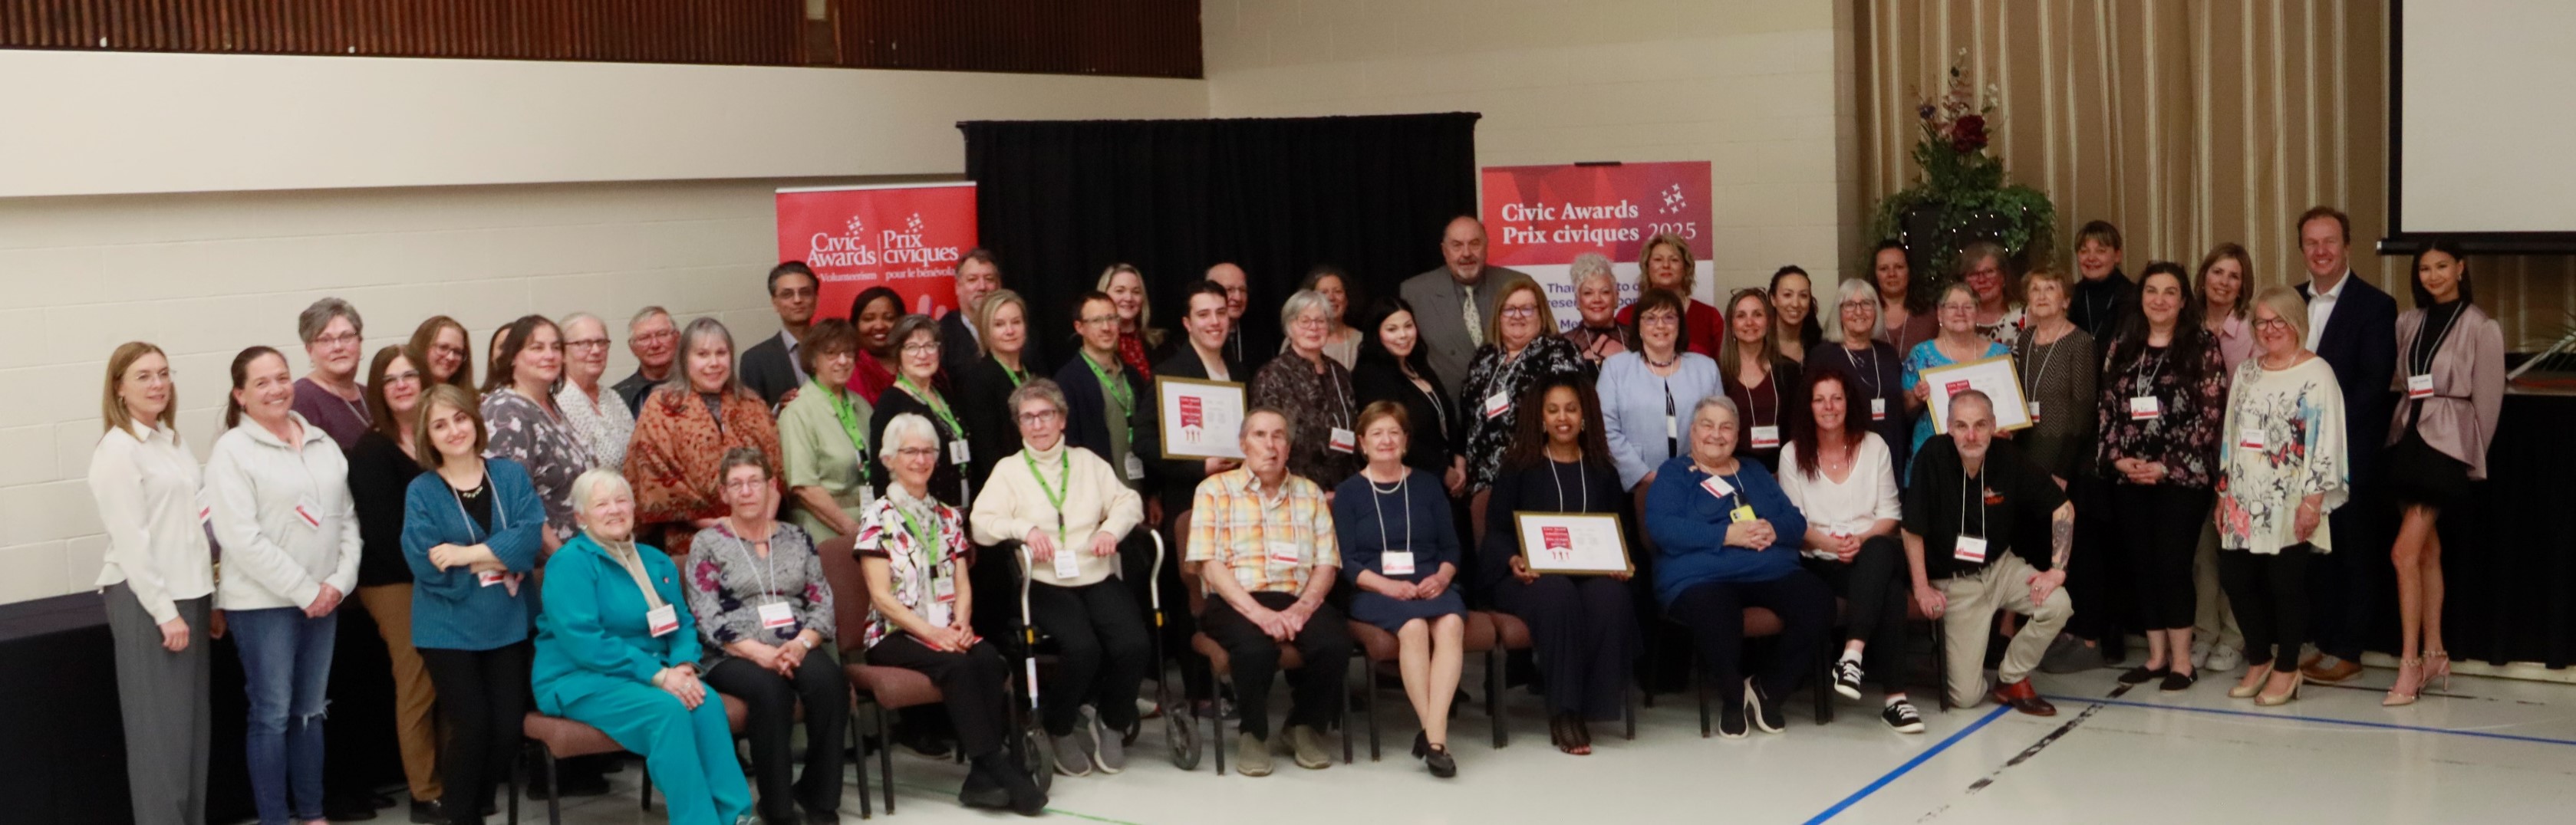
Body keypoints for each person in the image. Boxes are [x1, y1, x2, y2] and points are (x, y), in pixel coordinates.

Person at [533, 469, 754, 825]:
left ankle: (737, 816)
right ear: (580, 518)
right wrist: (658, 675)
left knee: (705, 703)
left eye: (622, 500)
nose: (615, 510)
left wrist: (682, 666)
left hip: (651, 672)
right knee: (666, 712)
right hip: (578, 677)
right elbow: (584, 642)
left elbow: (681, 623)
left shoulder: (655, 561)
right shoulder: (569, 564)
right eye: (601, 504)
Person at [855, 414, 1047, 814]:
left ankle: (980, 778)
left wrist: (960, 624)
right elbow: (881, 596)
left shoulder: (947, 516)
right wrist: (933, 634)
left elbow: (962, 583)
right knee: (956, 667)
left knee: (989, 661)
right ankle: (997, 765)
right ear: (889, 458)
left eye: (928, 451)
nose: (921, 459)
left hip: (946, 628)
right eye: (910, 451)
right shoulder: (878, 516)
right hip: (894, 633)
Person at [206, 345, 362, 825]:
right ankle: (275, 818)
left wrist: (338, 582)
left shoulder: (320, 442)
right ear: (240, 395)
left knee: (311, 710)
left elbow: (348, 520)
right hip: (262, 605)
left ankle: (312, 813)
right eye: (261, 382)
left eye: (282, 377)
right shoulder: (232, 451)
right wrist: (306, 590)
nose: (276, 389)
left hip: (325, 599)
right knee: (272, 714)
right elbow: (240, 538)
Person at [970, 381, 1151, 777]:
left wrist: (1112, 531)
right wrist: (1024, 529)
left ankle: (1112, 721)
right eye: (1028, 417)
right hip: (1045, 580)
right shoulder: (1009, 471)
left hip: (1095, 571)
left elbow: (1129, 501)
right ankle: (1059, 725)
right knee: (1082, 648)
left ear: (1062, 419)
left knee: (1134, 642)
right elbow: (981, 525)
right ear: (1019, 425)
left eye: (1046, 415)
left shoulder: (1087, 462)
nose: (1038, 425)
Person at [1644, 396, 1835, 738]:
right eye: (1708, 425)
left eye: (1726, 427)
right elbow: (1663, 528)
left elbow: (1794, 521)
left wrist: (1774, 529)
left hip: (1769, 570)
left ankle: (1768, 690)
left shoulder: (1754, 472)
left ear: (1737, 435)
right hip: (1700, 577)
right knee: (1716, 613)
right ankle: (1733, 699)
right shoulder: (1674, 474)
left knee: (1818, 602)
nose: (1716, 434)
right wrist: (1727, 534)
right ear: (1693, 431)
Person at [400, 384, 543, 825]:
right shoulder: (422, 490)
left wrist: (464, 554)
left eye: (460, 419)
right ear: (429, 436)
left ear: (475, 422)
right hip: (447, 626)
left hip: (506, 620)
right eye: (440, 425)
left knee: (505, 728)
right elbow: (425, 559)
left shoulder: (510, 476)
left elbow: (529, 537)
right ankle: (462, 816)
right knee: (473, 725)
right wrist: (498, 556)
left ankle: (477, 801)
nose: (454, 430)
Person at [89, 341, 217, 825]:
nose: (158, 383)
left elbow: (196, 526)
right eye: (143, 376)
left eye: (164, 373)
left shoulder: (171, 441)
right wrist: (165, 612)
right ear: (119, 388)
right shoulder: (118, 451)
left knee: (191, 736)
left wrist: (212, 598)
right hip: (150, 603)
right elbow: (133, 543)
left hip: (192, 594)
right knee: (159, 741)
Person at [1187, 406, 1352, 776]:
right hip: (1233, 599)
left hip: (1295, 596)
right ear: (1243, 444)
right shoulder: (1214, 490)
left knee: (1335, 644)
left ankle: (1302, 726)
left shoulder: (1309, 494)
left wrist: (1303, 609)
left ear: (1289, 448)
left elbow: (1326, 564)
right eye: (1259, 436)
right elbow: (1209, 564)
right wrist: (1259, 614)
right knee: (1254, 648)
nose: (1270, 445)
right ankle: (1253, 734)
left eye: (1279, 436)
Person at [1474, 376, 1637, 754]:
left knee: (1612, 597)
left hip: (1591, 573)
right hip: (1529, 576)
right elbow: (1496, 531)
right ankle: (1564, 711)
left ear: (1584, 416)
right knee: (1557, 593)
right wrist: (1513, 559)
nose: (1562, 418)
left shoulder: (1602, 469)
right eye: (1553, 410)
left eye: (1571, 409)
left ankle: (1593, 704)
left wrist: (1622, 560)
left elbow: (1621, 529)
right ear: (1540, 418)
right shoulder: (1519, 466)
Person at [685, 449, 846, 824]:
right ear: (724, 493)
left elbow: (821, 599)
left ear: (770, 487)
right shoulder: (708, 543)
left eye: (754, 482)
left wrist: (802, 643)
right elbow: (705, 614)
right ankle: (777, 806)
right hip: (731, 654)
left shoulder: (796, 537)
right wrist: (757, 652)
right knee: (771, 692)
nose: (746, 492)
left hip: (794, 642)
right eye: (736, 484)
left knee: (829, 683)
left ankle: (819, 796)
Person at [2381, 240, 2505, 705]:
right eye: (2424, 269)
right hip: (2405, 438)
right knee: (2426, 554)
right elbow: (2400, 381)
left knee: (2402, 554)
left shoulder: (2481, 327)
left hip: (2447, 445)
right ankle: (2435, 652)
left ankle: (2409, 663)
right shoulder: (2408, 322)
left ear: (2460, 269)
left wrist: (2469, 458)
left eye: (2441, 267)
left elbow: (2488, 404)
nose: (2432, 276)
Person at [2094, 262, 2226, 691]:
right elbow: (2107, 410)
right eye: (2152, 291)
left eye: (2170, 292)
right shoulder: (2123, 345)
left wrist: (2165, 464)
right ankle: (2155, 658)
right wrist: (2116, 459)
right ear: (2142, 297)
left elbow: (2210, 416)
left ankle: (2182, 663)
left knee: (2172, 565)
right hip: (2129, 476)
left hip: (2182, 477)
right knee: (2142, 565)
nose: (2160, 300)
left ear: (2184, 300)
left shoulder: (2201, 346)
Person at [2216, 286, 2349, 706]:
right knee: (2236, 579)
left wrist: (2314, 502)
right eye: (2261, 321)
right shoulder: (2248, 372)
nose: (2269, 329)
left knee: (2284, 584)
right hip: (2243, 495)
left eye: (2279, 321)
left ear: (2296, 324)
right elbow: (2231, 435)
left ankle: (2288, 668)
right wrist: (2223, 493)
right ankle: (2258, 658)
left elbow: (2327, 441)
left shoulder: (2317, 373)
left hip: (2292, 499)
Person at [1903, 390, 2074, 715]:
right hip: (1955, 585)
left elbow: (2062, 506)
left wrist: (2057, 569)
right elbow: (1911, 530)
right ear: (1949, 427)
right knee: (1966, 698)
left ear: (1994, 426)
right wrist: (1922, 588)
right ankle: (1953, 656)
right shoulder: (1932, 456)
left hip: (2000, 568)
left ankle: (2011, 676)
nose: (1971, 435)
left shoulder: (2007, 456)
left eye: (1980, 425)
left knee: (2058, 603)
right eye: (1962, 426)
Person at [1779, 366, 1923, 733]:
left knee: (1878, 551)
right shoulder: (1792, 454)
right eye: (1820, 399)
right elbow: (1795, 525)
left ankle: (1852, 654)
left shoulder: (1873, 445)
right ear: (1808, 407)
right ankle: (1895, 700)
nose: (1829, 407)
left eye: (1837, 398)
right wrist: (1832, 544)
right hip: (1820, 561)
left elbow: (1891, 513)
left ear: (1849, 403)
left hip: (1867, 550)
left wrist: (1857, 541)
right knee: (1888, 586)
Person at [2291, 206, 2398, 686]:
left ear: (2347, 246)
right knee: (2315, 552)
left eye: (2329, 241)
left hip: (2350, 451)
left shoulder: (2376, 306)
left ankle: (2350, 648)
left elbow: (2374, 386)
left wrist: (2324, 437)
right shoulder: (2289, 301)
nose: (2321, 251)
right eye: (2312, 243)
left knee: (2354, 550)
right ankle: (2325, 640)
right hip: (2294, 455)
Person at [1334, 401, 1467, 777]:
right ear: (1362, 442)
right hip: (1374, 588)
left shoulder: (1427, 485)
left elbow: (1452, 548)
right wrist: (1389, 587)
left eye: (1394, 432)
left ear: (1406, 441)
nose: (1386, 440)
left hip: (1430, 580)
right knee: (1412, 628)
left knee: (1452, 625)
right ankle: (1437, 736)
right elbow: (1346, 561)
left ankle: (1432, 736)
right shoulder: (1348, 493)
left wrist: (1442, 577)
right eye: (1377, 433)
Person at [344, 346, 445, 820]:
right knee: (418, 681)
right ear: (378, 392)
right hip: (392, 580)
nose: (403, 384)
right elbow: (385, 534)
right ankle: (426, 793)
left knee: (451, 677)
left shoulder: (437, 437)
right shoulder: (372, 448)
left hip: (442, 573)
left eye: (410, 375)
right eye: (391, 379)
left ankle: (453, 778)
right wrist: (442, 570)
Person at [627, 317, 786, 556]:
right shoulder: (662, 406)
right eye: (702, 355)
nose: (714, 363)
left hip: (760, 535)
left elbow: (775, 473)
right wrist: (719, 527)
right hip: (692, 540)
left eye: (721, 353)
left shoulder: (752, 403)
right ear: (685, 360)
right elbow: (655, 476)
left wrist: (759, 525)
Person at [1458, 278, 1587, 544]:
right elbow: (1468, 416)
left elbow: (1572, 415)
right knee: (1494, 559)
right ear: (1498, 315)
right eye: (1509, 309)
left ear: (1541, 314)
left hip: (1539, 477)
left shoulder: (1558, 352)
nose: (1518, 316)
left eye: (1527, 309)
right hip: (1485, 483)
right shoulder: (1485, 357)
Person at [2192, 245, 2256, 672]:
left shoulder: (2251, 332)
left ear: (2243, 285)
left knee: (2236, 549)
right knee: (2200, 553)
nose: (2224, 282)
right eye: (2217, 272)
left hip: (2238, 457)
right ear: (2204, 277)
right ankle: (2204, 632)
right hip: (2192, 458)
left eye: (2234, 276)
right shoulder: (2185, 325)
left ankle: (2235, 635)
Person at [1599, 288, 1722, 511]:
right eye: (1650, 318)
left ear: (1680, 325)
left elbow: (1719, 426)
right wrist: (1643, 476)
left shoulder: (1705, 368)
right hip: (1634, 488)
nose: (1660, 325)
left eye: (1669, 318)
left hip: (1695, 485)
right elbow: (1605, 429)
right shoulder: (1615, 368)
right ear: (1638, 326)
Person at [482, 314, 596, 554]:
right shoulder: (505, 410)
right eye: (537, 348)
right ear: (513, 357)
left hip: (583, 551)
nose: (549, 355)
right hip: (548, 562)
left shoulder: (547, 404)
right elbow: (515, 501)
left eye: (556, 347)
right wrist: (561, 558)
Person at [1401, 215, 1539, 393]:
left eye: (1474, 243)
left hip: (1515, 408)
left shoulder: (1518, 285)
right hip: (1448, 410)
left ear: (1486, 246)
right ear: (1444, 250)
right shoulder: (1415, 293)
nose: (1466, 253)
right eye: (1457, 245)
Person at [1153, 281, 1249, 524]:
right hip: (1191, 505)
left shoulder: (1239, 374)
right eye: (1204, 315)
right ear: (1188, 324)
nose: (1215, 322)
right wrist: (1200, 468)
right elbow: (1145, 443)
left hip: (1239, 505)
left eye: (1221, 313)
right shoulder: (1169, 374)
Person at [1351, 296, 1465, 495]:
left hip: (1447, 478)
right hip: (1407, 482)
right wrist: (1442, 470)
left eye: (1408, 326)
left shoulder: (1417, 364)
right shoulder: (1369, 375)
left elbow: (1446, 414)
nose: (1403, 335)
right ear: (1377, 334)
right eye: (1392, 329)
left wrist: (1459, 459)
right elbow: (1393, 432)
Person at [1251, 289, 1361, 491]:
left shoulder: (1340, 374)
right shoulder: (1272, 375)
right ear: (1289, 327)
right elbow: (1267, 443)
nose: (1314, 328)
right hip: (1295, 490)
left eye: (1320, 321)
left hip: (1345, 489)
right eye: (1305, 321)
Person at [778, 318, 875, 541]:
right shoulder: (798, 411)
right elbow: (804, 489)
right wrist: (852, 530)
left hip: (868, 524)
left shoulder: (862, 406)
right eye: (832, 354)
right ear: (813, 360)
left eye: (849, 353)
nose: (843, 361)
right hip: (824, 533)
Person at [1059, 291, 1164, 496]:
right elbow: (1070, 447)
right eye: (1097, 321)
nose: (1106, 328)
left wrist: (1152, 495)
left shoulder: (1132, 375)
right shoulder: (1067, 381)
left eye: (1111, 318)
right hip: (1097, 498)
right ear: (1079, 327)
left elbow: (1148, 434)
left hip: (1138, 491)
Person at [1813, 278, 1914, 475]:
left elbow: (1899, 408)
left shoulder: (1888, 354)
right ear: (1839, 312)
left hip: (1891, 456)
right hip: (1845, 461)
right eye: (1850, 305)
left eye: (1867, 304)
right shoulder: (1823, 356)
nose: (1859, 312)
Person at [869, 315, 973, 508]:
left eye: (929, 346)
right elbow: (881, 473)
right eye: (912, 347)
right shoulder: (891, 402)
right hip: (917, 515)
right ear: (897, 354)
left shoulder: (943, 393)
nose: (923, 355)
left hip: (956, 511)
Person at [1902, 282, 2012, 459]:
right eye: (1952, 307)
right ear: (1940, 313)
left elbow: (2013, 407)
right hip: (1932, 456)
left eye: (1968, 307)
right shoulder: (1921, 354)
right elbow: (1903, 410)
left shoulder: (2000, 354)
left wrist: (2008, 429)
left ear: (1977, 312)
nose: (1960, 313)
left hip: (1987, 453)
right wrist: (1916, 397)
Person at [2013, 267, 2098, 486]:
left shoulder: (2081, 342)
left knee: (2059, 519)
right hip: (2027, 447)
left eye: (2050, 289)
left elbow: (2084, 409)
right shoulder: (2025, 340)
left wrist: (2063, 469)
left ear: (2066, 302)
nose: (2041, 296)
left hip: (2063, 453)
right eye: (2035, 290)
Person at [958, 290, 1035, 501]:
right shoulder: (979, 379)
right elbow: (987, 450)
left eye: (1016, 322)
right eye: (999, 324)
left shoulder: (1034, 371)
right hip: (1006, 492)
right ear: (986, 330)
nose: (1010, 331)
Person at [1718, 288, 1802, 472]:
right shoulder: (1718, 372)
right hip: (1732, 470)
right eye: (1741, 316)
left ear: (1769, 322)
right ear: (1731, 325)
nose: (1750, 322)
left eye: (1757, 314)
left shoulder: (1789, 371)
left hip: (1781, 470)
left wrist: (1787, 471)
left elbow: (1798, 428)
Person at [1615, 232, 1726, 357]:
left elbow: (1724, 367)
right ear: (1647, 267)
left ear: (1686, 268)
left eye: (1674, 260)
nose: (1666, 265)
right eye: (1658, 260)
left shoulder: (1710, 317)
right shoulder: (1627, 316)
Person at [556, 312, 637, 473]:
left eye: (601, 342)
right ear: (562, 352)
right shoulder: (560, 401)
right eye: (584, 343)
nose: (596, 350)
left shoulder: (611, 397)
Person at [290, 297, 372, 450]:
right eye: (325, 340)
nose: (338, 347)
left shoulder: (371, 395)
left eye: (346, 337)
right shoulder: (300, 398)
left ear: (360, 342)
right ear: (309, 350)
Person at [740, 261, 822, 409]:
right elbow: (751, 421)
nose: (798, 300)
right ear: (775, 303)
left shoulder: (837, 350)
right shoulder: (754, 361)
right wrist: (779, 409)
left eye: (805, 292)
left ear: (816, 299)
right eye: (787, 294)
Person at [1099, 262, 1178, 378]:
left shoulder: (1162, 343)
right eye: (1120, 291)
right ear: (1103, 295)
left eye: (1136, 292)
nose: (1129, 298)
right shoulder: (1093, 343)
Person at [940, 249, 1008, 383]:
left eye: (989, 279)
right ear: (958, 287)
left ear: (999, 286)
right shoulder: (942, 333)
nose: (982, 287)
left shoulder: (1018, 328)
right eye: (972, 279)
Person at [1283, 265, 1364, 369]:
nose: (1331, 297)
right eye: (1323, 293)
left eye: (1338, 291)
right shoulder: (1295, 339)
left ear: (1347, 299)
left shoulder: (1360, 341)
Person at [1562, 254, 1633, 366]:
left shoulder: (1637, 340)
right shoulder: (1562, 345)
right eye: (1588, 293)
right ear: (1577, 301)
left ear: (1616, 298)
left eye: (1605, 292)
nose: (1597, 299)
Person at [2069, 221, 2136, 337]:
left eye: (2100, 251)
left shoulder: (2134, 297)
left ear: (2117, 256)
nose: (2091, 258)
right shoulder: (2069, 297)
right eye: (2084, 251)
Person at [1869, 240, 1938, 354]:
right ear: (1875, 275)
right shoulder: (1863, 314)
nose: (1892, 274)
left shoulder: (1930, 316)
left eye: (1899, 267)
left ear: (1909, 271)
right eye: (1884, 269)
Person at [847, 286, 907, 405]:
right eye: (869, 319)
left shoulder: (918, 360)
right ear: (855, 325)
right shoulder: (847, 369)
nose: (879, 326)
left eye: (889, 318)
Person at [614, 306, 679, 414]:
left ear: (677, 338)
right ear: (632, 348)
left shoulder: (700, 386)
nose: (655, 344)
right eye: (645, 338)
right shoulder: (618, 397)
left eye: (662, 334)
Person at [1958, 243, 2024, 346]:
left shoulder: (2025, 315)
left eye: (1989, 272)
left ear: (2003, 276)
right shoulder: (1956, 318)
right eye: (1973, 274)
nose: (1982, 280)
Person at [1205, 261, 1261, 366]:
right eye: (1229, 290)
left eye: (1242, 290)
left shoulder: (1260, 339)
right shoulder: (1190, 339)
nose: (1238, 298)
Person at [407, 314, 476, 395]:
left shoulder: (475, 402)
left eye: (458, 352)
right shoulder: (405, 397)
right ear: (423, 346)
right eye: (443, 348)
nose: (451, 357)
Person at [1771, 265, 1823, 364]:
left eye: (1803, 296)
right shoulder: (1760, 345)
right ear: (1773, 299)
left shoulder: (1820, 346)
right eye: (1787, 295)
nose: (1795, 304)